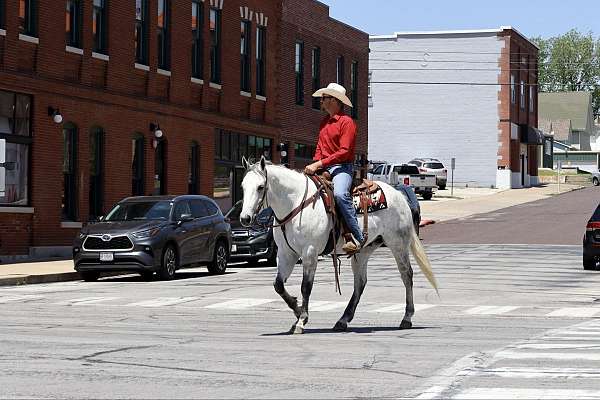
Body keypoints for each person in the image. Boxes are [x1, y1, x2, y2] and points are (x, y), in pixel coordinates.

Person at [304, 83, 364, 254]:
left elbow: (344, 152)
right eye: (322, 98)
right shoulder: (324, 123)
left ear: (335, 101)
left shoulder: (347, 123)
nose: (321, 101)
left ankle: (356, 237)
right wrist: (313, 164)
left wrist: (319, 164)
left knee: (339, 194)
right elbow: (319, 148)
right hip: (324, 167)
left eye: (324, 98)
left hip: (342, 167)